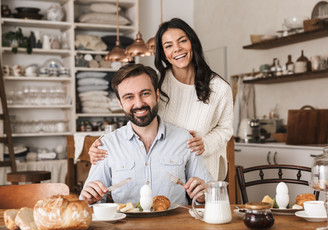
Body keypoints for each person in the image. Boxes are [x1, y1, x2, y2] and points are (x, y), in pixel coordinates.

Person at [89, 18, 233, 181]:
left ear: (193, 42)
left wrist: (205, 143)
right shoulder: (156, 84)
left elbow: (226, 129)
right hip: (164, 174)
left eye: (182, 41)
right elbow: (139, 119)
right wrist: (104, 144)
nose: (177, 49)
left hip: (203, 171)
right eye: (168, 46)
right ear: (163, 53)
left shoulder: (220, 88)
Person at [80, 63, 212, 205]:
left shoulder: (185, 140)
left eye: (145, 93)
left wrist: (203, 197)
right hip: (125, 226)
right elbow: (90, 202)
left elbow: (210, 198)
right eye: (129, 97)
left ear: (156, 94)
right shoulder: (106, 145)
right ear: (120, 103)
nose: (139, 103)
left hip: (175, 226)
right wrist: (89, 200)